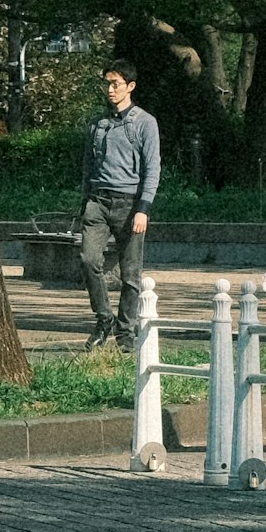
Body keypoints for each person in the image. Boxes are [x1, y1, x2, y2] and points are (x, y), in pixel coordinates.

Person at [76, 63, 160, 347]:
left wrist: (143, 208)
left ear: (130, 86)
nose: (110, 89)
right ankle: (103, 319)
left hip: (130, 204)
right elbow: (88, 165)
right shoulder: (97, 123)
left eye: (116, 84)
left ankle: (126, 331)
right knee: (88, 259)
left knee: (131, 274)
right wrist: (85, 201)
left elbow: (152, 168)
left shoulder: (144, 122)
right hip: (97, 202)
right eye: (108, 83)